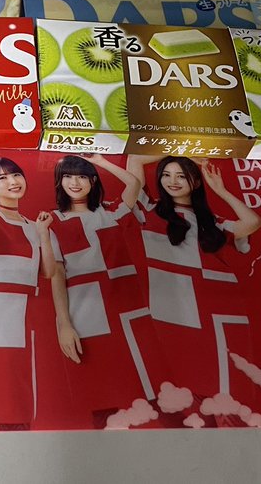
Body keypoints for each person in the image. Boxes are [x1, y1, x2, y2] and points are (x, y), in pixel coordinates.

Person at [119, 155, 261, 417]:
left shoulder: (211, 222)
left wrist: (220, 190)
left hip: (210, 306)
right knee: (167, 382)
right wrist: (184, 147)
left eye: (181, 176)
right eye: (166, 175)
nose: (172, 181)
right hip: (165, 303)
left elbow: (252, 223)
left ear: (195, 182)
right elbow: (136, 158)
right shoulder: (147, 208)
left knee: (212, 381)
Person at [41, 154, 150, 428]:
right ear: (59, 182)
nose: (74, 182)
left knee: (144, 383)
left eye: (82, 176)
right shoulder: (52, 221)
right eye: (68, 176)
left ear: (93, 180)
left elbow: (134, 184)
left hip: (129, 306)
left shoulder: (110, 211)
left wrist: (101, 160)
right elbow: (57, 275)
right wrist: (64, 324)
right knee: (101, 390)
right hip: (87, 312)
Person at [0, 156, 60, 430]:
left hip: (22, 315)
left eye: (16, 175)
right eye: (2, 178)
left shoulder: (32, 225)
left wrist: (43, 234)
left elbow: (48, 272)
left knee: (17, 391)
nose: (13, 182)